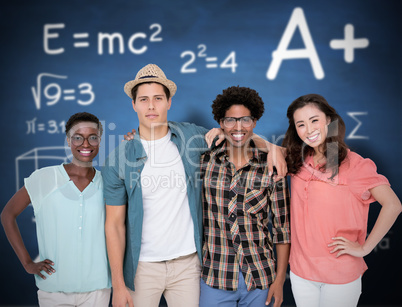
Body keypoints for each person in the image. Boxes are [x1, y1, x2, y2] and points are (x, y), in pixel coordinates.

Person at [102, 64, 287, 307]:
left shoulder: (193, 138)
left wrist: (271, 147)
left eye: (158, 98)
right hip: (142, 267)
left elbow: (236, 133)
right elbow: (114, 225)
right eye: (143, 99)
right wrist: (118, 284)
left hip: (189, 266)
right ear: (134, 104)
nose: (150, 106)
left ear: (169, 102)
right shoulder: (118, 159)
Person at [281, 94, 402, 307]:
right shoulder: (296, 159)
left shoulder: (355, 165)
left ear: (329, 120)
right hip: (301, 273)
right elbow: (260, 145)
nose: (309, 130)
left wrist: (364, 249)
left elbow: (393, 205)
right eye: (301, 124)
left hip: (340, 275)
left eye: (314, 120)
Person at [1, 112, 111, 307]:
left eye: (92, 137)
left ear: (99, 141)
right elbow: (7, 215)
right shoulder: (44, 178)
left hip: (98, 289)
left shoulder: (109, 183)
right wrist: (27, 263)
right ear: (68, 140)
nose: (85, 144)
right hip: (54, 290)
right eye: (78, 137)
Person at [199, 86, 290, 307]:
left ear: (255, 122)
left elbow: (282, 230)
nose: (238, 127)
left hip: (260, 278)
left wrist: (279, 281)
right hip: (215, 278)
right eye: (230, 120)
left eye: (245, 120)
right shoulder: (205, 161)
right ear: (221, 122)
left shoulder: (271, 166)